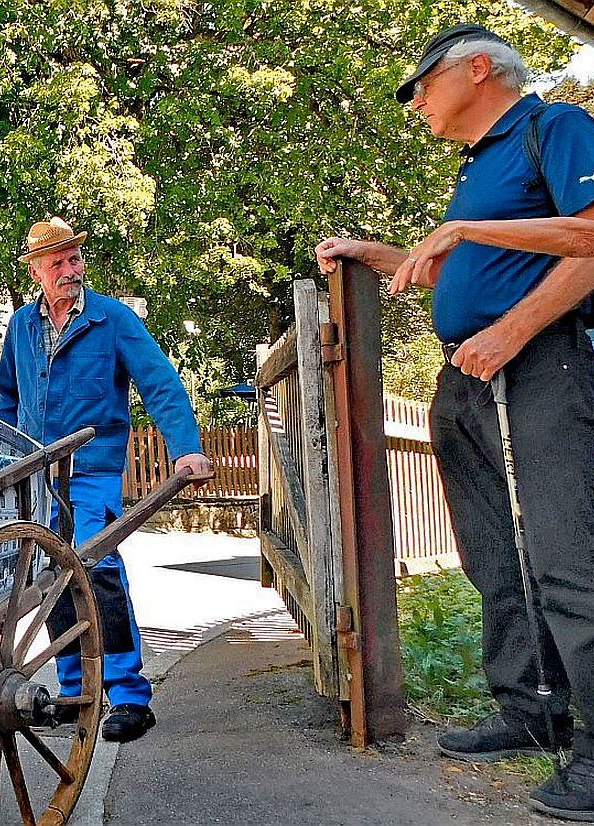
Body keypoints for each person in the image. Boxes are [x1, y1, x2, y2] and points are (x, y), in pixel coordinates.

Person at [316, 24, 594, 821]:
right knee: (492, 554)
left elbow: (587, 236)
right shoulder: (478, 168)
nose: (418, 103)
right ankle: (530, 707)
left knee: (565, 555)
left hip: (541, 363)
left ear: (479, 69)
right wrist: (380, 252)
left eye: (424, 84)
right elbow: (472, 259)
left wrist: (511, 327)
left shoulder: (555, 127)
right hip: (470, 375)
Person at [0, 216, 212, 743]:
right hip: (36, 471)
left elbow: (160, 383)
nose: (70, 269)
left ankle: (128, 695)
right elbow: (7, 397)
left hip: (91, 469)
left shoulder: (111, 319)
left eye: (74, 259)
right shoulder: (22, 326)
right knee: (51, 578)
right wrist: (4, 456)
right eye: (58, 262)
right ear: (37, 272)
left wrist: (187, 450)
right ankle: (75, 691)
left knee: (96, 566)